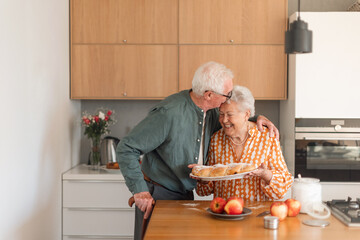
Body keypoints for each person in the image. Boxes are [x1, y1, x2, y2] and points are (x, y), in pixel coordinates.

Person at [116, 61, 279, 240]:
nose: (229, 98)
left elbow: (236, 116)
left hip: (184, 195)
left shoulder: (211, 111)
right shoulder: (168, 113)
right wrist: (140, 191)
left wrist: (258, 118)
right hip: (158, 196)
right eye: (227, 94)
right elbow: (127, 148)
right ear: (209, 94)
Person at [194, 85, 293, 201]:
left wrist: (265, 174)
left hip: (256, 215)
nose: (224, 120)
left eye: (229, 115)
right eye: (221, 114)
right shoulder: (217, 139)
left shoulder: (267, 137)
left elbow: (282, 189)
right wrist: (202, 177)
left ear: (246, 114)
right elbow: (203, 191)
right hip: (224, 213)